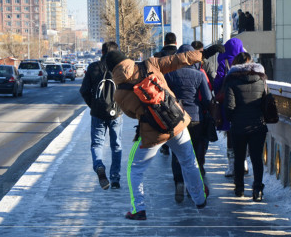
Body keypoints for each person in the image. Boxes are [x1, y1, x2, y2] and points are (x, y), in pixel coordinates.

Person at [105, 44, 224, 220]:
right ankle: (200, 200)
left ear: (111, 70)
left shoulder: (119, 93)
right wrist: (204, 53)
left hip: (153, 133)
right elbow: (179, 59)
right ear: (126, 59)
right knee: (189, 161)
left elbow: (131, 114)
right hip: (176, 122)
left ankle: (138, 209)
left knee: (135, 168)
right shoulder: (150, 64)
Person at [165, 44, 213, 203]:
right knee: (194, 154)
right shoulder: (199, 75)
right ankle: (194, 188)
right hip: (196, 118)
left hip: (176, 118)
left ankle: (179, 182)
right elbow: (207, 99)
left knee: (177, 153)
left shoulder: (170, 75)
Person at [224, 52, 267, 201]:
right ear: (251, 62)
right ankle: (257, 190)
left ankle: (239, 188)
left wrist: (232, 119)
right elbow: (265, 101)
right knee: (256, 158)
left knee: (239, 157)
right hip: (258, 125)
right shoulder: (261, 79)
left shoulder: (231, 80)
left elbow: (229, 106)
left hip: (239, 126)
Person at [79, 41, 123, 190]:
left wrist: (94, 105)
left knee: (97, 144)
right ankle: (115, 178)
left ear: (102, 52)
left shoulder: (93, 68)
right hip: (116, 113)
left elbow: (84, 90)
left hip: (98, 113)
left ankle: (99, 166)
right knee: (116, 145)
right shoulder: (120, 69)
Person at [213, 37, 246, 177]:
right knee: (244, 134)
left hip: (228, 103)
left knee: (231, 135)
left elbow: (217, 82)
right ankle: (243, 163)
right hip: (245, 104)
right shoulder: (246, 62)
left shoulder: (223, 62)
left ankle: (232, 166)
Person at [154, 32, 178, 156]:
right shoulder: (179, 55)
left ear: (164, 43)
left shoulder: (157, 56)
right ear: (176, 43)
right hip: (177, 91)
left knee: (163, 119)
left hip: (161, 92)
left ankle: (165, 146)